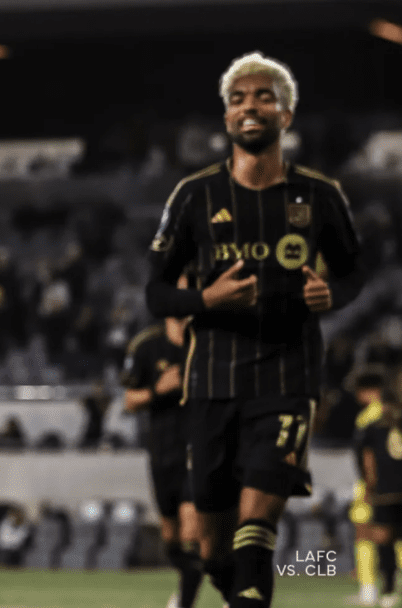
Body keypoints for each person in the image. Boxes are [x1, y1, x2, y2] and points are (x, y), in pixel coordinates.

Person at [146, 51, 365, 608]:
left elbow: (353, 272)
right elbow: (156, 292)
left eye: (264, 96)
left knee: (256, 528)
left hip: (287, 380)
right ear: (226, 118)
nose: (250, 106)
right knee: (215, 551)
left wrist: (332, 294)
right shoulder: (194, 195)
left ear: (285, 115)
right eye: (238, 99)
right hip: (212, 385)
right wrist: (206, 299)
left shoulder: (320, 195)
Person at [121, 298, 203, 608]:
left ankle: (189, 599)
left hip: (199, 451)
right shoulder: (147, 346)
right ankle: (190, 583)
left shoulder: (207, 343)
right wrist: (159, 388)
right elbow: (129, 401)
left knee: (192, 530)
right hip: (162, 453)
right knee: (171, 537)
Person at [348, 365, 399, 606]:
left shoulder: (369, 417)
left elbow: (366, 456)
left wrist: (369, 486)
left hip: (377, 487)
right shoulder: (395, 412)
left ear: (368, 390)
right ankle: (387, 586)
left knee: (368, 535)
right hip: (393, 486)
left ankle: (369, 588)